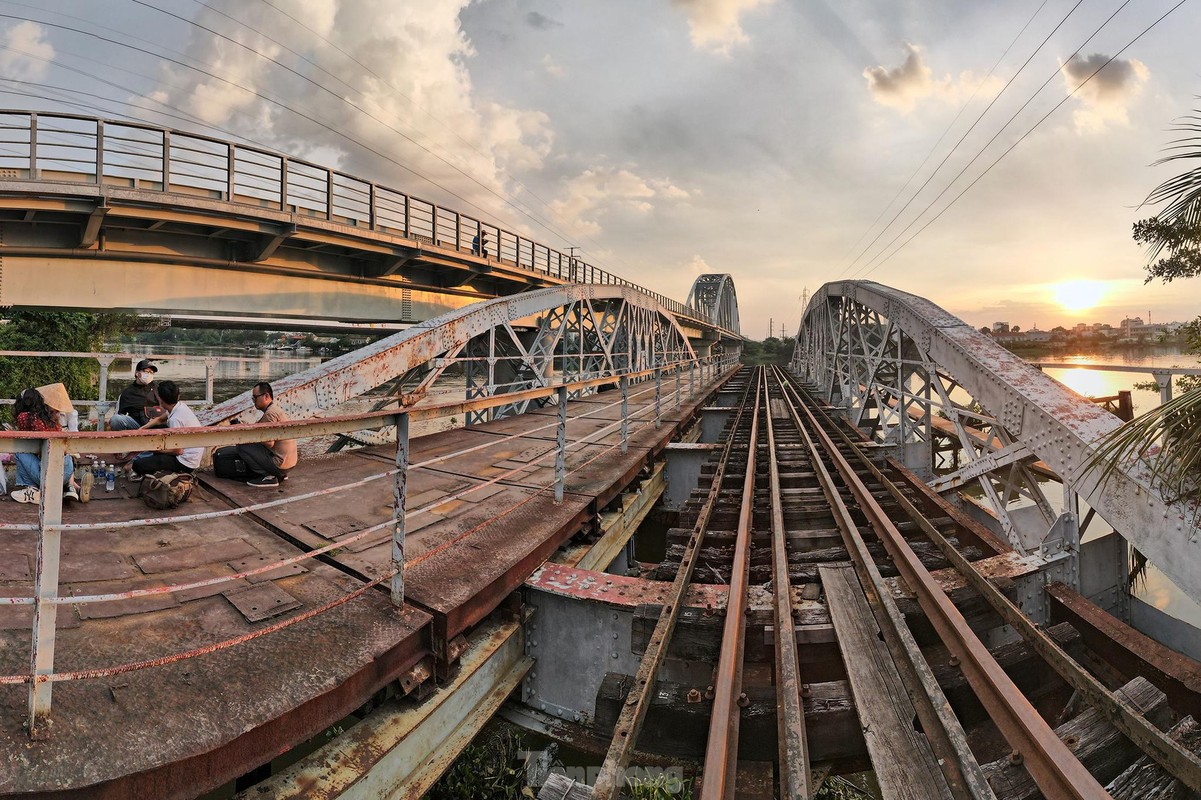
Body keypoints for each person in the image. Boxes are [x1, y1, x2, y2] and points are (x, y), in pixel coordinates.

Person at [10, 388, 80, 504]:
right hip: (65, 470)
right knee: (63, 453)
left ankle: (32, 488)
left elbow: (25, 441)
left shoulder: (23, 417)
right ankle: (70, 486)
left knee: (18, 450)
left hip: (45, 473)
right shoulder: (52, 418)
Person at [130, 380, 203, 478]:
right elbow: (160, 419)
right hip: (185, 451)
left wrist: (155, 450)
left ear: (160, 400)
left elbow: (178, 451)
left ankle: (141, 460)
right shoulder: (179, 406)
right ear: (178, 396)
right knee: (156, 428)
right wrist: (141, 429)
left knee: (138, 465)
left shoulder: (175, 419)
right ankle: (145, 455)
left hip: (185, 462)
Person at [236, 382, 297, 488]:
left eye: (255, 397)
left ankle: (269, 476)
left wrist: (249, 437)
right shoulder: (275, 410)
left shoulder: (270, 414)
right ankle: (280, 475)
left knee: (242, 446)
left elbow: (269, 443)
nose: (254, 401)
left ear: (266, 396)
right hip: (290, 463)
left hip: (280, 464)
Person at [109, 360, 163, 431]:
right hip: (137, 424)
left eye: (152, 372)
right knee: (116, 419)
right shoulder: (128, 393)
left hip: (157, 422)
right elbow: (119, 414)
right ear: (137, 373)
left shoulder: (158, 388)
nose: (149, 374)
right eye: (147, 371)